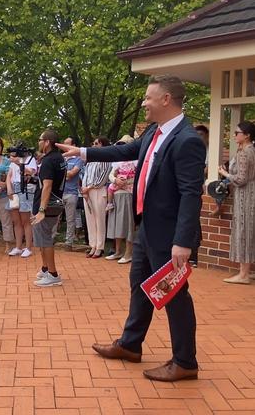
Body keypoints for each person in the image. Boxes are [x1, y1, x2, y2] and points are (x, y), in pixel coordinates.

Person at [58, 74, 205, 382]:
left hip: (169, 236)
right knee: (139, 286)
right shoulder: (154, 132)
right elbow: (123, 151)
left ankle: (185, 362)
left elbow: (192, 194)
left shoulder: (188, 140)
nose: (144, 103)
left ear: (166, 99)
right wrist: (83, 152)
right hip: (147, 227)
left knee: (175, 296)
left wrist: (182, 241)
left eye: (148, 98)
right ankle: (130, 345)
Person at [219, 121, 255, 285]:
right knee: (248, 230)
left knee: (243, 231)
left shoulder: (244, 153)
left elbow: (241, 180)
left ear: (247, 135)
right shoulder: (251, 150)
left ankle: (244, 274)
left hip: (245, 196)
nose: (234, 135)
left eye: (237, 132)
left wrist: (225, 173)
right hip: (250, 194)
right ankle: (247, 271)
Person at [31, 130, 66, 287]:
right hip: (55, 203)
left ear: (47, 142)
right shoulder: (59, 158)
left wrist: (41, 210)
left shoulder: (48, 161)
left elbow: (47, 186)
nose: (38, 142)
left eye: (40, 139)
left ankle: (53, 274)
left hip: (46, 205)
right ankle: (45, 269)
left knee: (45, 240)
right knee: (43, 238)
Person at [105, 136, 137, 264]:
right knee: (117, 222)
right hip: (117, 193)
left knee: (128, 223)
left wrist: (126, 182)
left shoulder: (136, 161)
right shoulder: (118, 161)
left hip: (128, 193)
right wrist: (115, 180)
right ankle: (118, 251)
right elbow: (111, 175)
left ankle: (128, 253)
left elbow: (140, 176)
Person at [81, 136, 112, 258]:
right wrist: (84, 189)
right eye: (93, 143)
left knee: (99, 220)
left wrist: (89, 187)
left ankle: (100, 247)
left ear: (103, 145)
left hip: (98, 191)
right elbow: (85, 176)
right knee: (90, 219)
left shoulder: (106, 160)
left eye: (96, 143)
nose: (94, 145)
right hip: (87, 192)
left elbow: (103, 178)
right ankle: (92, 245)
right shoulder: (91, 161)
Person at [6, 147, 37, 258]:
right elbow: (9, 176)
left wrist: (19, 163)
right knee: (16, 221)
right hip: (14, 188)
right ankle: (18, 247)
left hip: (25, 189)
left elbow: (31, 172)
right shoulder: (14, 160)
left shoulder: (30, 159)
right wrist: (9, 189)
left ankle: (28, 247)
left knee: (26, 221)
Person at [61, 137, 83, 251]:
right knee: (54, 217)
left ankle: (68, 242)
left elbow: (72, 174)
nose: (64, 146)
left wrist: (62, 175)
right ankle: (50, 239)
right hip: (59, 193)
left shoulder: (78, 159)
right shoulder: (61, 159)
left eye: (67, 144)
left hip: (71, 193)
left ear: (73, 145)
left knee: (70, 219)